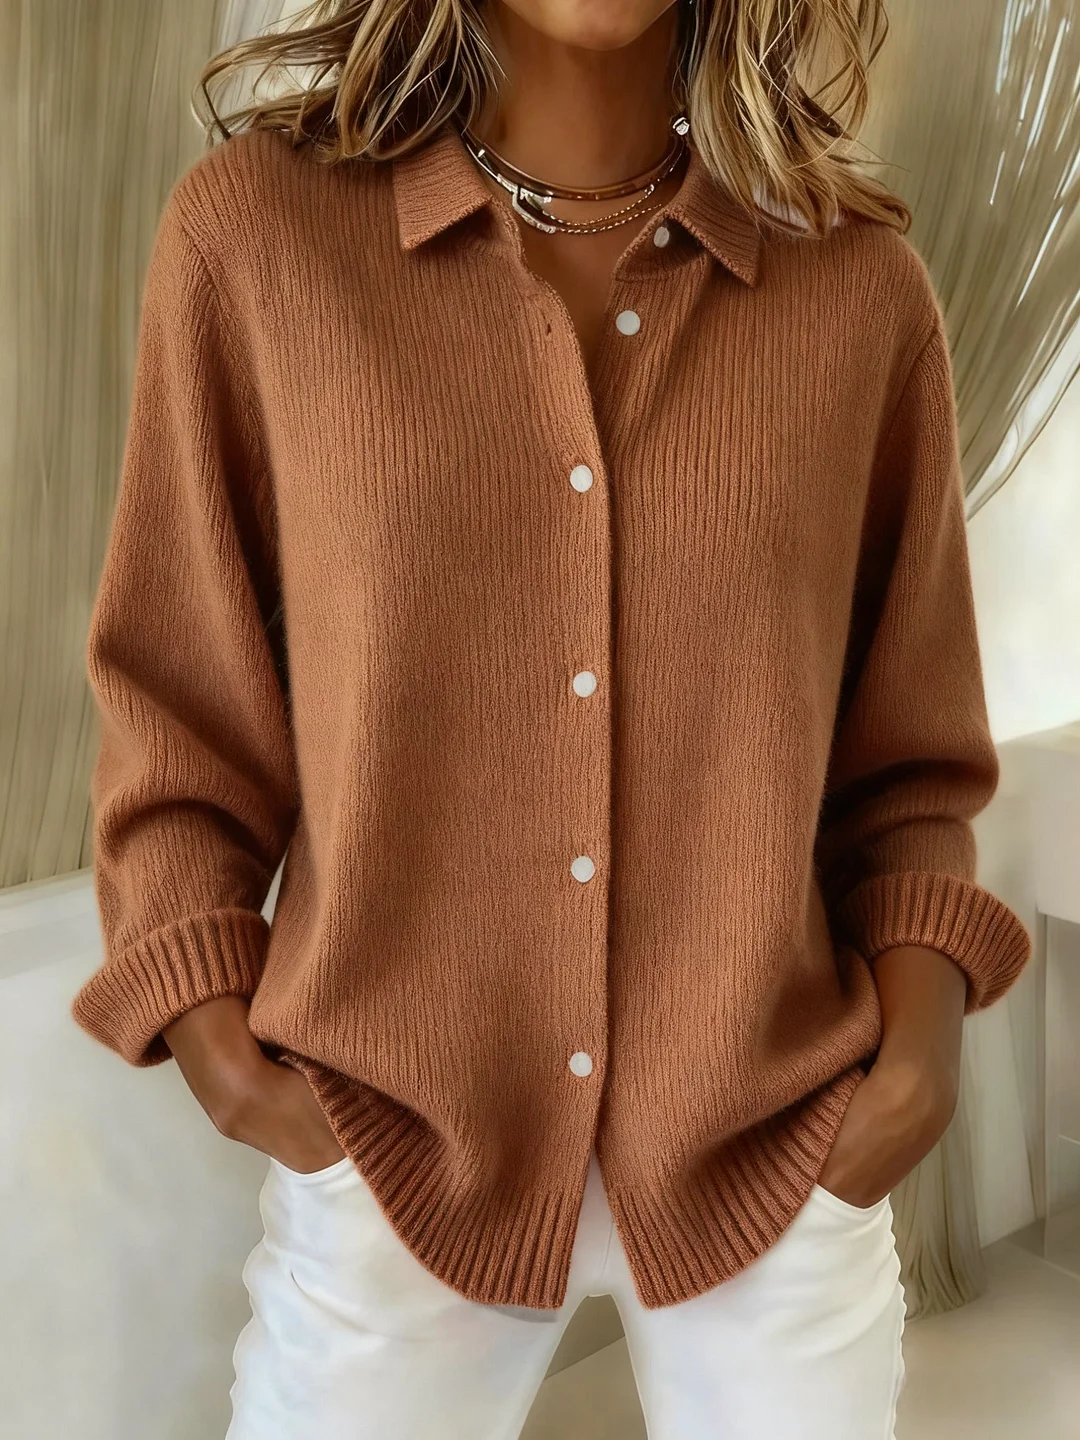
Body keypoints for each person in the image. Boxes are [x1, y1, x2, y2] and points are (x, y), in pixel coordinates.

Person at [72, 1, 1032, 1436]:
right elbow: (180, 690)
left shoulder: (857, 291)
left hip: (775, 1138)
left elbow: (908, 760)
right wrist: (222, 1051)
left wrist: (918, 1067)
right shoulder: (259, 240)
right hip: (394, 1140)